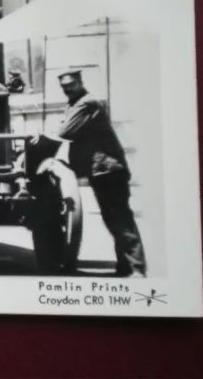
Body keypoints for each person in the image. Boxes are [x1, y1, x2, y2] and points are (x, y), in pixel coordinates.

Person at [35, 70, 147, 278]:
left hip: (108, 170)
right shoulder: (75, 104)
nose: (67, 88)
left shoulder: (86, 103)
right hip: (100, 171)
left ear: (79, 82)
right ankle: (125, 267)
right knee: (113, 218)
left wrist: (39, 140)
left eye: (71, 84)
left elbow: (63, 132)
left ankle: (136, 269)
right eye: (64, 86)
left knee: (120, 219)